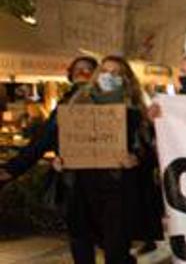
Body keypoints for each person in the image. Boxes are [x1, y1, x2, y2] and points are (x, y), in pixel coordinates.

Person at [57, 56, 156, 264]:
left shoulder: (136, 112)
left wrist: (136, 158)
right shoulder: (75, 105)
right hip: (83, 187)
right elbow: (59, 140)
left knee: (116, 250)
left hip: (118, 189)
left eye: (116, 73)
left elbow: (150, 149)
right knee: (82, 245)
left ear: (126, 79)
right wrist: (60, 159)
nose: (109, 76)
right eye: (104, 71)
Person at [0, 55, 97, 186]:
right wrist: (15, 167)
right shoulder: (65, 103)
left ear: (96, 74)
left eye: (87, 69)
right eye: (77, 69)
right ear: (71, 74)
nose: (81, 72)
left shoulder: (105, 99)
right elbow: (46, 136)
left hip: (103, 174)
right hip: (72, 172)